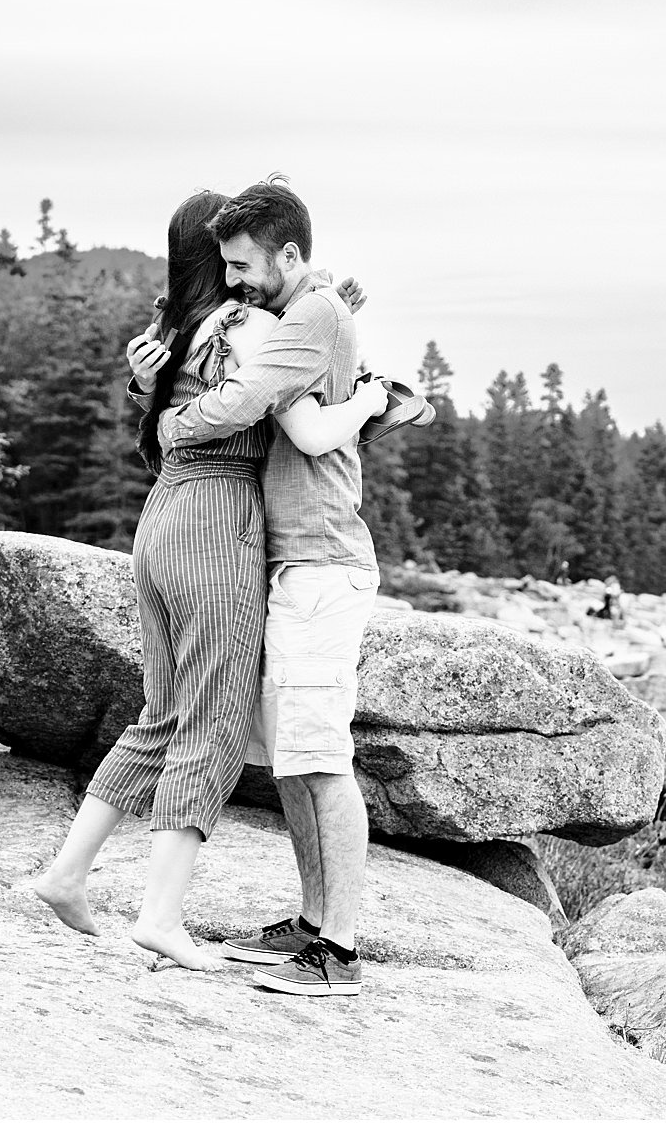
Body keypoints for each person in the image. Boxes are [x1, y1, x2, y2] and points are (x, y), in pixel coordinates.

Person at [32, 190, 387, 972]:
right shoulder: (252, 325)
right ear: (217, 259)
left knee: (161, 715)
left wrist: (150, 401)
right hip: (218, 519)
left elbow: (167, 415)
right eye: (230, 258)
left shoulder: (173, 333)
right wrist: (365, 392)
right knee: (215, 720)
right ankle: (160, 916)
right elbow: (283, 401)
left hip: (162, 517)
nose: (241, 272)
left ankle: (65, 873)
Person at [150, 176, 385, 998]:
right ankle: (314, 923)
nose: (237, 281)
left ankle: (341, 953)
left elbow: (248, 398)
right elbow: (311, 417)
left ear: (290, 254)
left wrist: (171, 422)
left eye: (246, 266)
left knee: (322, 760)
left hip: (324, 564)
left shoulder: (314, 314)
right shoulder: (299, 315)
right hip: (293, 563)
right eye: (227, 267)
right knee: (292, 759)